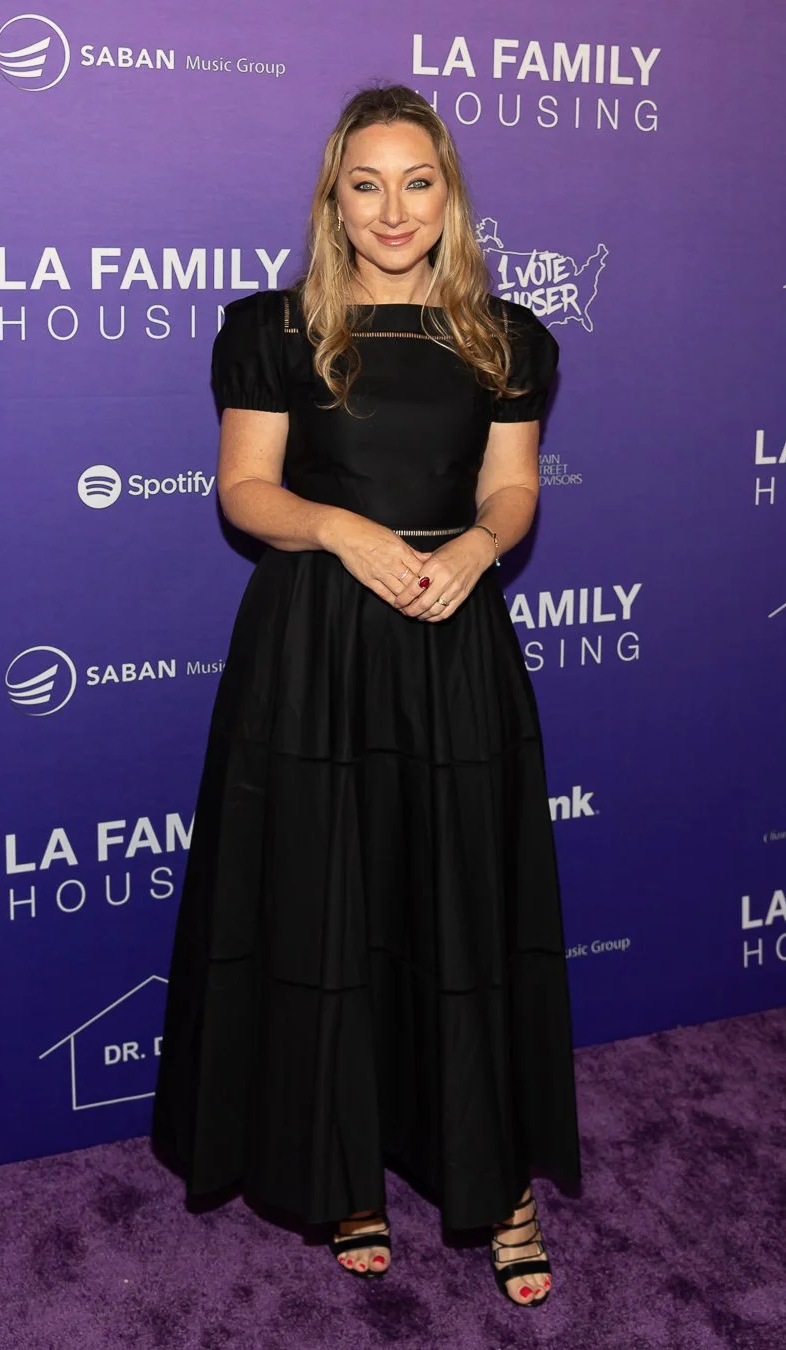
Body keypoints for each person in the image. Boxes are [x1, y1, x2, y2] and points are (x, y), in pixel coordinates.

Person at [151, 82, 581, 1309]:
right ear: (333, 200)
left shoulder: (507, 338)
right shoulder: (273, 330)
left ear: (450, 196)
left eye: (418, 182)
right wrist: (342, 529)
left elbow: (512, 489)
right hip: (318, 644)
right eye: (367, 184)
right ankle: (344, 1171)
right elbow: (247, 490)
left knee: (462, 899)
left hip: (451, 635)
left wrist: (476, 552)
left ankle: (496, 1182)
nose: (394, 210)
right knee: (327, 900)